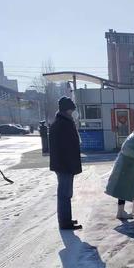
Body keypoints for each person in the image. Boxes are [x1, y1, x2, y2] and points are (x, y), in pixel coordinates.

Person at [49, 96, 83, 230]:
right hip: (64, 164)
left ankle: (66, 219)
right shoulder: (62, 124)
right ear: (67, 109)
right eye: (71, 110)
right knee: (64, 194)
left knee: (66, 193)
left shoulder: (63, 122)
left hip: (64, 164)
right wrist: (71, 164)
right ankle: (64, 222)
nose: (72, 112)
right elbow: (65, 147)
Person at [105, 122, 134, 219]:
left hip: (131, 168)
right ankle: (120, 212)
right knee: (123, 189)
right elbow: (125, 149)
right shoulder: (133, 138)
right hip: (124, 168)